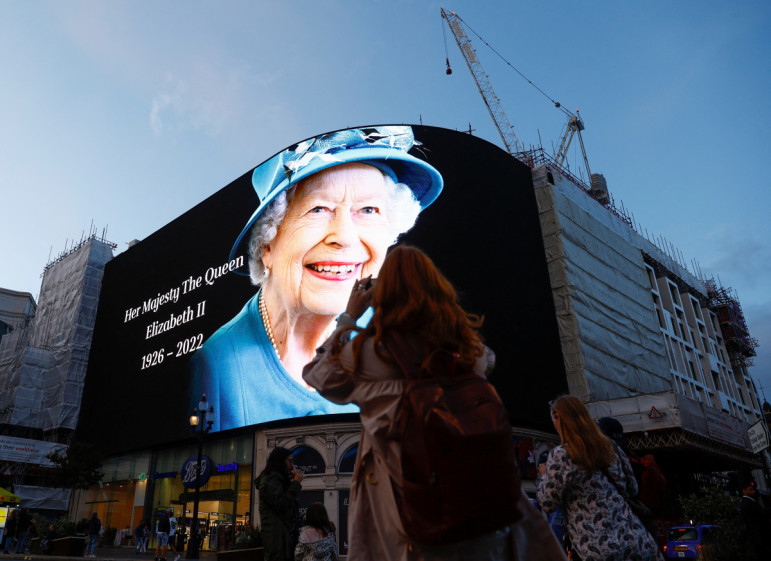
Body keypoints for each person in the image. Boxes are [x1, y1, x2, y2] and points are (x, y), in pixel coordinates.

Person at [188, 126, 444, 431]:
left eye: (368, 209)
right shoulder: (219, 368)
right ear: (267, 244)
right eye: (319, 208)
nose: (346, 238)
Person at [303, 245, 522, 560]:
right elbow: (488, 358)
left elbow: (317, 374)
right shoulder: (470, 355)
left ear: (382, 295)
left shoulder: (370, 355)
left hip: (413, 526)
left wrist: (351, 315)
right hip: (481, 522)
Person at [537, 396, 663, 561]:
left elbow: (547, 503)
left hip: (599, 548)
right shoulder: (610, 447)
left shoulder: (562, 455)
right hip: (637, 540)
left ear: (558, 417)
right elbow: (632, 488)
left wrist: (544, 475)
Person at [256, 447, 304, 561]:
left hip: (283, 540)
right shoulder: (270, 480)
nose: (292, 466)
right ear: (280, 461)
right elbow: (283, 504)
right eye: (290, 461)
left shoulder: (277, 480)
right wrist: (296, 483)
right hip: (278, 543)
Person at [739, 481, 770, 559]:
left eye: (753, 490)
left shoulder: (750, 502)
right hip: (759, 535)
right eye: (750, 490)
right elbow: (758, 517)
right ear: (744, 491)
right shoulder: (747, 503)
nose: (753, 491)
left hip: (759, 534)